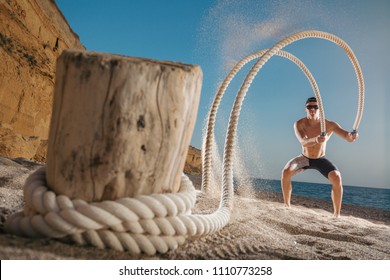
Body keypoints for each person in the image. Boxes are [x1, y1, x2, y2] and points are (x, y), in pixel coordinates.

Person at [281, 97, 358, 217]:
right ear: (305, 109)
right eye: (309, 107)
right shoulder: (299, 123)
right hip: (305, 158)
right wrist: (316, 139)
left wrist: (352, 136)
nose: (312, 109)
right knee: (286, 172)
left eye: (315, 107)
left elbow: (347, 137)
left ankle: (336, 215)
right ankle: (287, 205)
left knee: (337, 178)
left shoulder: (329, 125)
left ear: (320, 109)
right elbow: (303, 141)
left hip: (320, 159)